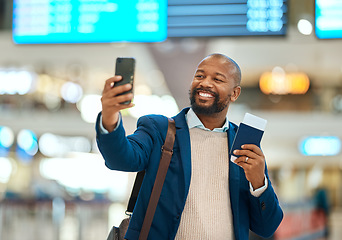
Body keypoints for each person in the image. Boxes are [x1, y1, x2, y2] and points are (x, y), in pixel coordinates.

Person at [96, 53, 283, 240]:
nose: (205, 83)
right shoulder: (159, 130)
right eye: (200, 76)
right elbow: (121, 159)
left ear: (234, 93)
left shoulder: (243, 146)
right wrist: (110, 117)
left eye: (217, 79)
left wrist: (259, 184)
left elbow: (267, 228)